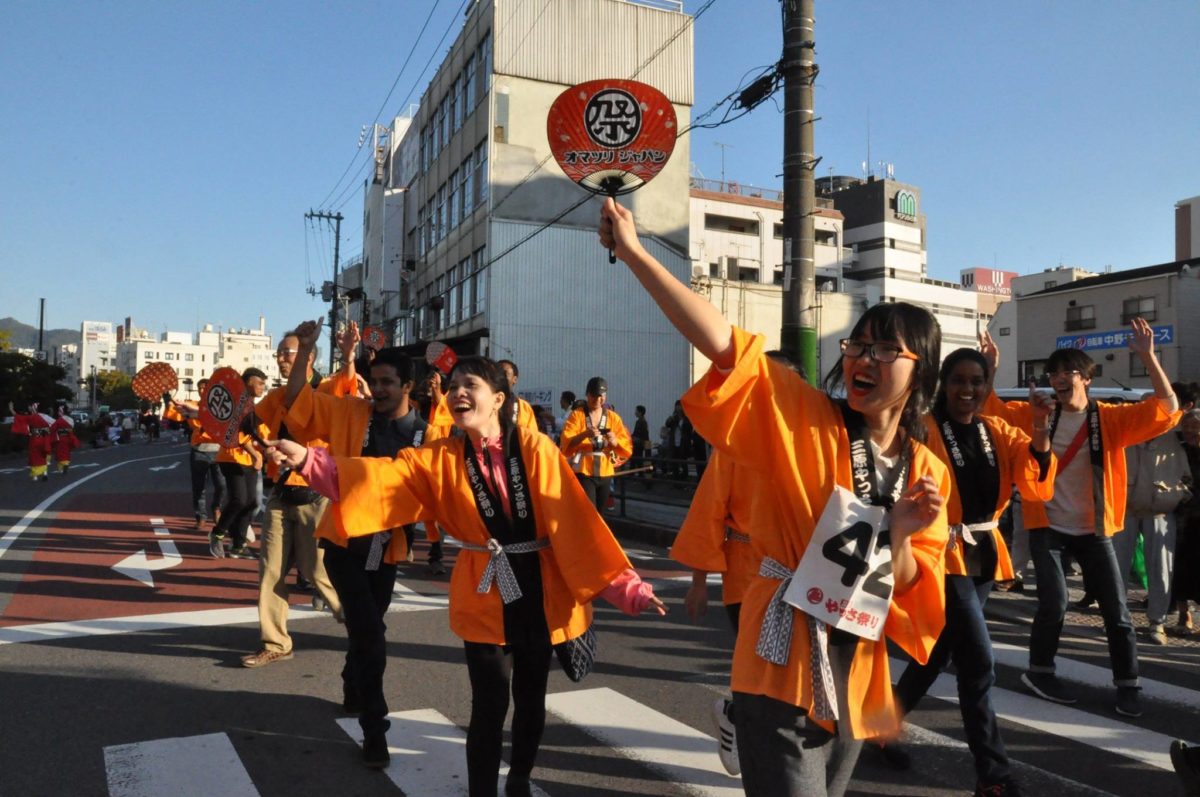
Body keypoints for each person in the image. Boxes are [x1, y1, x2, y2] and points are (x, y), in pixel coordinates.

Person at [600, 197, 949, 797]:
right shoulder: (802, 414)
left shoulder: (926, 471)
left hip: (855, 671)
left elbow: (917, 585)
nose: (864, 360)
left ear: (920, 372)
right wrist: (635, 253)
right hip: (781, 650)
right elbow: (722, 343)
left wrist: (899, 530)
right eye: (858, 346)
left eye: (886, 351)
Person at [269, 354, 665, 796]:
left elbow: (576, 522)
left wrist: (627, 587)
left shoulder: (535, 448)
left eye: (469, 385)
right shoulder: (439, 456)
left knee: (531, 698)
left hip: (541, 588)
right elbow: (383, 478)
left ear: (497, 399)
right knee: (488, 703)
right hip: (485, 587)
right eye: (453, 385)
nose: (458, 392)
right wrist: (309, 460)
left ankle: (518, 779)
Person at [982, 319, 1180, 719]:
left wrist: (1148, 358)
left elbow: (1167, 410)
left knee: (1117, 611)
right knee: (1053, 604)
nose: (1057, 378)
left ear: (1086, 379)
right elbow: (992, 410)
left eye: (1067, 371)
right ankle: (1039, 672)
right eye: (1052, 372)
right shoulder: (1036, 414)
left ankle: (1128, 684)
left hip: (1095, 530)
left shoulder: (1109, 419)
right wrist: (990, 367)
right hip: (1048, 526)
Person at [886, 348, 1055, 797]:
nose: (968, 390)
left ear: (986, 385)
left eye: (976, 381)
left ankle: (881, 724)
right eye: (958, 380)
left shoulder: (995, 428)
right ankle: (992, 774)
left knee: (937, 653)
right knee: (978, 661)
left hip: (981, 552)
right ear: (944, 383)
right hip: (938, 552)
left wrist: (1039, 429)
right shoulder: (922, 429)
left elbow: (1033, 478)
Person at [236, 330, 344, 669]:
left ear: (308, 356)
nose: (281, 358)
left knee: (318, 573)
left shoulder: (328, 390)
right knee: (271, 572)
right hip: (282, 495)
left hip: (317, 496)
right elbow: (249, 424)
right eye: (279, 352)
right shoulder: (276, 396)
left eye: (288, 353)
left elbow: (341, 424)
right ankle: (276, 643)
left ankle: (360, 624)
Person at [1114, 384, 1196, 645]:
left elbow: (1190, 468)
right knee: (1116, 567)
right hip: (1124, 509)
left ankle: (1157, 622)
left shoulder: (1176, 433)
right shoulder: (1124, 432)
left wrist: (1180, 493)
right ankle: (1116, 618)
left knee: (1161, 569)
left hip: (1161, 509)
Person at [209, 368, 269, 559]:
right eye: (260, 383)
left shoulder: (250, 404)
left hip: (247, 459)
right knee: (239, 499)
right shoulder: (238, 402)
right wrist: (257, 454)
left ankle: (238, 543)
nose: (263, 387)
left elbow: (254, 433)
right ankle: (217, 534)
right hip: (231, 457)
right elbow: (237, 434)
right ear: (249, 381)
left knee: (251, 502)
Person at [559, 377, 633, 512]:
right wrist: (584, 434)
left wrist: (615, 442)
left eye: (601, 396)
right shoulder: (577, 415)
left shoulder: (613, 417)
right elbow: (566, 442)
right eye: (594, 395)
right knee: (588, 511)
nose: (598, 400)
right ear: (587, 394)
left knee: (600, 513)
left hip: (605, 471)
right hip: (584, 470)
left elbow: (625, 447)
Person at [164, 378, 226, 529]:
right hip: (199, 449)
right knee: (199, 486)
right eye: (200, 388)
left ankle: (217, 507)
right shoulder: (191, 404)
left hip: (219, 451)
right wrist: (167, 398)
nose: (202, 390)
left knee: (222, 485)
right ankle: (201, 516)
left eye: (206, 388)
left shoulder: (220, 406)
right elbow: (174, 414)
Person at [1173, 409, 1200, 636]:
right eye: (1188, 426)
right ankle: (1184, 614)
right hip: (1182, 517)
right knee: (1180, 568)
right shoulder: (1177, 449)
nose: (1191, 431)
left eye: (1196, 426)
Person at [9, 402, 53, 482]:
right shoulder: (46, 417)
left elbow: (19, 417)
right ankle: (45, 473)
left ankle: (35, 476)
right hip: (45, 440)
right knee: (43, 457)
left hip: (35, 440)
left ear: (33, 408)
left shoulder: (32, 417)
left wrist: (11, 409)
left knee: (34, 457)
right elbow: (55, 425)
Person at [497, 360, 539, 432]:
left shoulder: (524, 407)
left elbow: (532, 436)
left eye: (505, 374)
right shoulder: (484, 403)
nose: (501, 377)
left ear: (515, 379)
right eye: (497, 373)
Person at [50, 406, 80, 475]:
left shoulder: (59, 421)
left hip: (60, 438)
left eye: (59, 411)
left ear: (61, 412)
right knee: (67, 452)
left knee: (59, 453)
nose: (58, 413)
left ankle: (61, 468)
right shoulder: (70, 420)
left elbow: (52, 429)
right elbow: (72, 428)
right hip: (68, 438)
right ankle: (66, 463)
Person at [631, 405, 651, 472]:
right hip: (639, 443)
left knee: (636, 459)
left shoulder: (641, 422)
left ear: (640, 412)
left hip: (638, 444)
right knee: (638, 459)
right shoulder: (642, 421)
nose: (635, 412)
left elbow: (639, 434)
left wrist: (633, 438)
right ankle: (639, 474)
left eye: (636, 411)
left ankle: (635, 474)